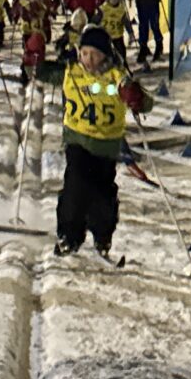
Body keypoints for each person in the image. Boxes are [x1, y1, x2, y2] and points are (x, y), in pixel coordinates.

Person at [56, 27, 128, 261]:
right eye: (85, 53)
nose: (89, 59)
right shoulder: (72, 71)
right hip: (78, 139)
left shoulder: (116, 75)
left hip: (106, 144)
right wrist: (34, 62)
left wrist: (135, 96)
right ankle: (69, 235)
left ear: (105, 55)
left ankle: (102, 235)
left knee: (102, 192)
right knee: (75, 186)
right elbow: (47, 72)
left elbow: (144, 99)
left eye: (95, 54)